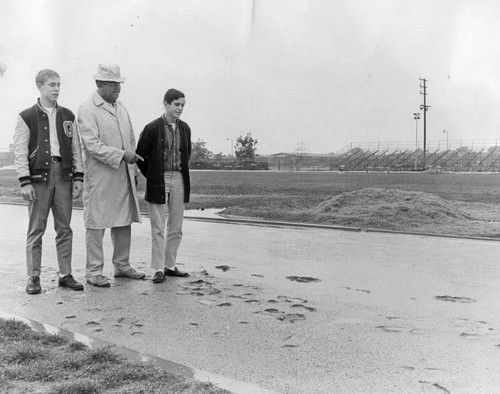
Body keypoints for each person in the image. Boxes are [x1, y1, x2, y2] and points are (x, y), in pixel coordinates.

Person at [13, 69, 84, 294]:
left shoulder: (68, 115)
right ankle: (33, 277)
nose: (56, 89)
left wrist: (78, 177)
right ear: (40, 86)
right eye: (52, 85)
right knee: (36, 228)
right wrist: (25, 181)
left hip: (63, 175)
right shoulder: (26, 116)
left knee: (65, 227)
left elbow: (76, 149)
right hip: (38, 178)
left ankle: (65, 274)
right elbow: (19, 151)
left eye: (59, 85)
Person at [77, 64, 145, 287]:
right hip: (100, 177)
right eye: (112, 84)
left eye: (119, 83)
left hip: (123, 174)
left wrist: (133, 169)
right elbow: (92, 145)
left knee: (123, 219)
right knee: (96, 223)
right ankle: (94, 271)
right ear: (99, 84)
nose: (118, 88)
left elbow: (131, 141)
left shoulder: (121, 107)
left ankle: (122, 265)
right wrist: (121, 155)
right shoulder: (87, 109)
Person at [136, 89, 191, 283]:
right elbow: (140, 157)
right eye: (176, 104)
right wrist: (152, 175)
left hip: (179, 179)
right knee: (158, 227)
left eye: (183, 105)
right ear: (166, 104)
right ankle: (158, 268)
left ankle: (170, 265)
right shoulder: (152, 127)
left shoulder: (185, 128)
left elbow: (187, 155)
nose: (180, 108)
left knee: (176, 226)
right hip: (159, 179)